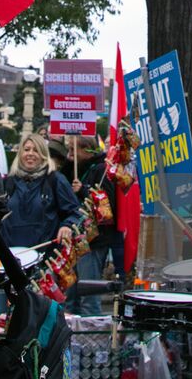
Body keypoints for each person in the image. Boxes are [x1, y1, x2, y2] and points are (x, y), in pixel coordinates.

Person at [70, 135, 122, 315]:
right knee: (73, 295)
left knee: (88, 294)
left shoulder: (101, 170)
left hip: (95, 240)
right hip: (83, 239)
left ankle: (92, 338)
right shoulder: (89, 168)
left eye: (73, 150)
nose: (70, 155)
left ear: (85, 150)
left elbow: (105, 205)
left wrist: (82, 191)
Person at [1, 133, 79, 250]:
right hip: (11, 255)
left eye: (36, 150)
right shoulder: (8, 182)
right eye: (27, 149)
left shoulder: (56, 180)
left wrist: (67, 226)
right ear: (20, 153)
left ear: (43, 154)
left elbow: (75, 212)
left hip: (45, 256)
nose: (30, 154)